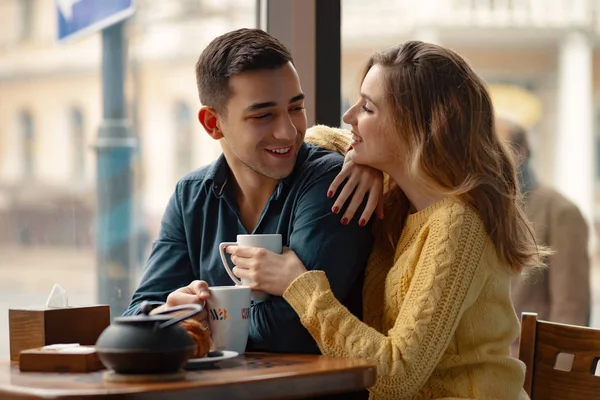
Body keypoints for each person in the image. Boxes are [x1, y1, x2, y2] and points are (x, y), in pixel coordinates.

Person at [222, 41, 547, 399]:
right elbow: (315, 137)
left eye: (368, 108)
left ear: (420, 127)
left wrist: (298, 285)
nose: (349, 117)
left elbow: (395, 376)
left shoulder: (457, 225)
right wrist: (361, 162)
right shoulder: (397, 193)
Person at [122, 28, 382, 358]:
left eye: (296, 107)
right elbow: (136, 321)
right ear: (212, 124)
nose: (288, 131)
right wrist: (171, 313)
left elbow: (293, 331)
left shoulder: (331, 181)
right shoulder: (190, 197)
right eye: (263, 115)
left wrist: (202, 323)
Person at [496, 117, 591, 327]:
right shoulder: (484, 207)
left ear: (522, 153)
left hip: (530, 355)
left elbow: (570, 309)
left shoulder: (560, 212)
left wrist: (562, 360)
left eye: (498, 148)